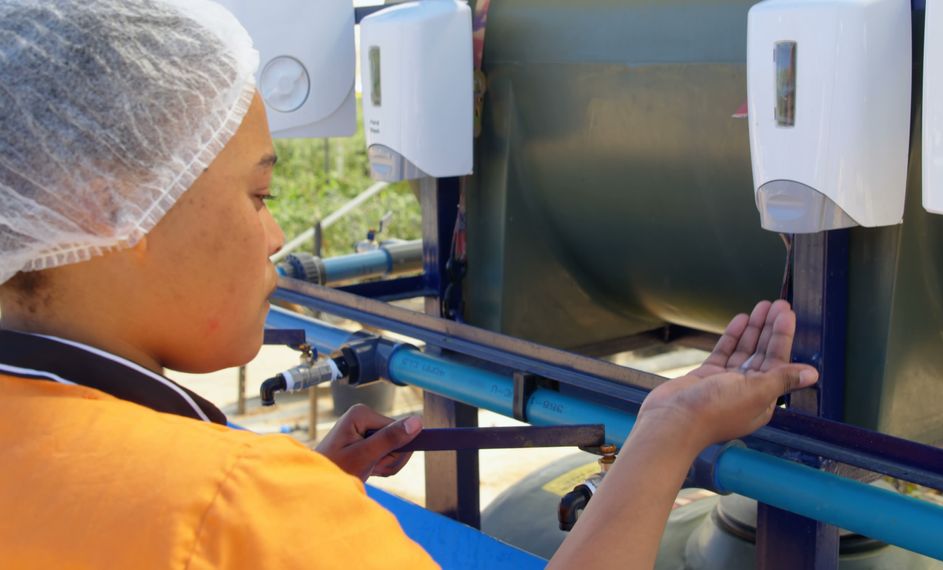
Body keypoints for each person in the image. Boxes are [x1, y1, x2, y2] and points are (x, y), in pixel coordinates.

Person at [0, 1, 819, 568]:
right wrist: (668, 433)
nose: (277, 233)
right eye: (258, 195)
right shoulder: (234, 508)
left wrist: (305, 499)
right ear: (110, 210)